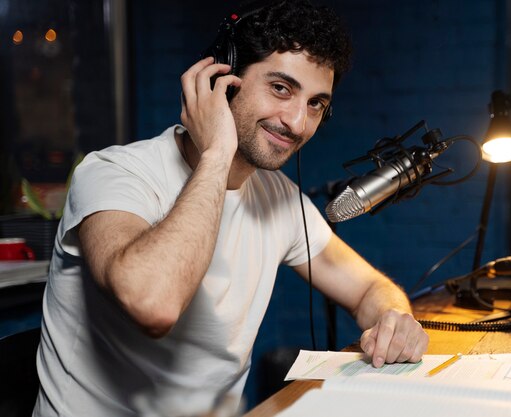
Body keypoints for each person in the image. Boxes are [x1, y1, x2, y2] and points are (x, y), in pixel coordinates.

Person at [33, 1, 429, 416]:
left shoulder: (279, 198)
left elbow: (369, 288)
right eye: (281, 88)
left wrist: (394, 319)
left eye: (315, 104)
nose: (297, 122)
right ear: (224, 79)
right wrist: (217, 154)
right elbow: (154, 304)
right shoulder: (112, 173)